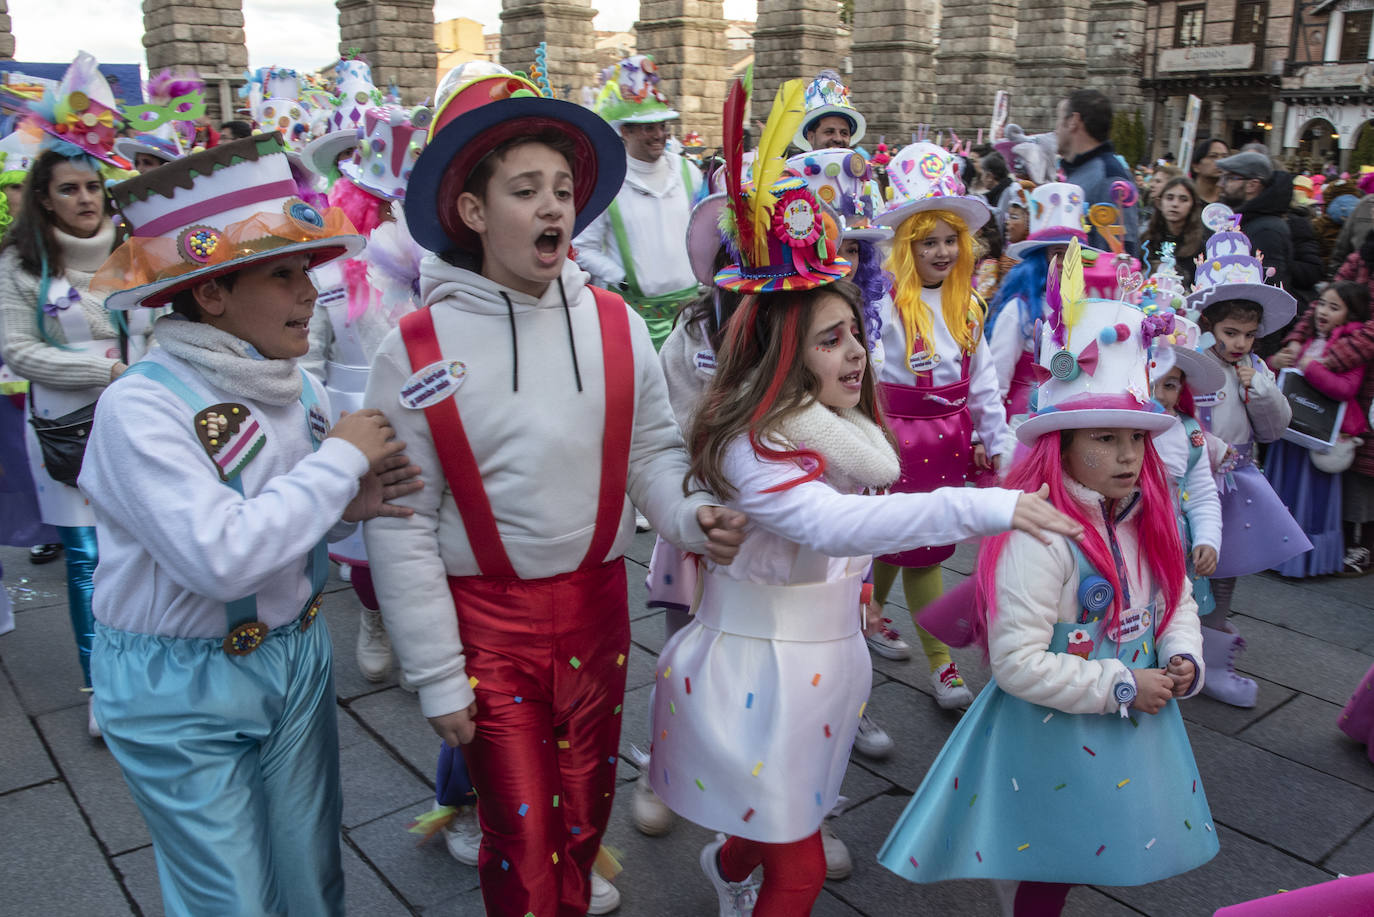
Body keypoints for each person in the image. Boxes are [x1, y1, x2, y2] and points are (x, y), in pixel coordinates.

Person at [650, 80, 1083, 917]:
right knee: (802, 867)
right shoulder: (753, 445)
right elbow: (839, 522)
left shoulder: (836, 430)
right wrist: (984, 505)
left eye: (855, 332)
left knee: (784, 817)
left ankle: (727, 865)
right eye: (831, 339)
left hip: (827, 661)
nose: (857, 354)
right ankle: (747, 870)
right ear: (782, 354)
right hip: (756, 668)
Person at [362, 73, 748, 917]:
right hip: (486, 628)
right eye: (525, 190)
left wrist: (689, 514)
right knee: (523, 837)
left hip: (600, 610)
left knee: (582, 818)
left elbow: (652, 450)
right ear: (471, 211)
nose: (553, 209)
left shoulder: (613, 323)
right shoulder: (416, 349)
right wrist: (434, 672)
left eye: (564, 191)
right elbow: (402, 521)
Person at [82, 132, 420, 916]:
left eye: (307, 267)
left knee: (310, 872)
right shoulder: (142, 406)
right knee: (229, 896)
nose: (311, 290)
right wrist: (337, 465)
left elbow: (284, 519)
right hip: (180, 685)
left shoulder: (293, 383)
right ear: (210, 294)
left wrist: (344, 511)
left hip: (293, 656)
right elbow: (222, 556)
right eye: (283, 272)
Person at [879, 244, 1216, 915]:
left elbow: (1174, 598)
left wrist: (1183, 653)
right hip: (1049, 725)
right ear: (1061, 444)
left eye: (1135, 440)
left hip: (1121, 712)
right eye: (1104, 439)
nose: (1125, 456)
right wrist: (1122, 680)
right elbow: (1015, 662)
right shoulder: (1040, 536)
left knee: (1093, 830)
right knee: (1048, 851)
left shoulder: (1147, 516)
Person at [0, 54, 152, 738]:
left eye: (93, 186)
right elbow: (18, 351)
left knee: (144, 545)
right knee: (88, 557)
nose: (86, 199)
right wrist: (105, 372)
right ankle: (100, 687)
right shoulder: (20, 265)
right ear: (44, 197)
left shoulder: (134, 251)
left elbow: (158, 326)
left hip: (140, 419)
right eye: (69, 189)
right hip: (64, 428)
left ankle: (147, 667)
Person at [869, 140, 1010, 709]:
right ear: (906, 246)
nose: (943, 251)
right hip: (893, 440)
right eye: (929, 241)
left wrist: (999, 442)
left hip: (946, 443)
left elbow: (984, 383)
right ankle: (942, 665)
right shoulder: (882, 304)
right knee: (908, 547)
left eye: (951, 239)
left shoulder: (969, 305)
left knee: (905, 545)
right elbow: (867, 372)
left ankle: (867, 614)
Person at [301, 103, 430, 687]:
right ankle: (375, 617)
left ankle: (419, 634)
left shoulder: (434, 262)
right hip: (352, 410)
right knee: (363, 534)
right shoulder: (328, 272)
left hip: (429, 402)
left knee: (424, 523)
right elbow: (307, 354)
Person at [1185, 226, 1310, 707]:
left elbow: (1276, 428)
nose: (1239, 342)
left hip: (1237, 483)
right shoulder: (1192, 363)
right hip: (1192, 481)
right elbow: (1176, 416)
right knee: (1181, 564)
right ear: (1211, 325)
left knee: (1226, 570)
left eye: (1249, 334)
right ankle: (1174, 648)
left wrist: (1258, 388)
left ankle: (1214, 662)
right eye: (1230, 332)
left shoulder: (1256, 369)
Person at [574, 55, 703, 351]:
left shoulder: (689, 174)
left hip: (691, 317)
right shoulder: (609, 182)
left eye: (661, 125)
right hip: (636, 321)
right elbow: (583, 247)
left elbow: (706, 234)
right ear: (625, 131)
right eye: (647, 127)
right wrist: (620, 279)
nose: (658, 134)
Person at [1266, 282, 1371, 576]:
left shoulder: (1348, 347)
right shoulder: (1307, 339)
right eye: (1322, 303)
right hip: (1290, 433)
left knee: (1307, 500)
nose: (1323, 311)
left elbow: (1346, 389)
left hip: (1317, 437)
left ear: (1352, 314)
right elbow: (1275, 377)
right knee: (1282, 494)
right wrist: (1276, 362)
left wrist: (1311, 368)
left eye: (1334, 307)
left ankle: (1302, 560)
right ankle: (1271, 552)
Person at [986, 181, 1099, 425]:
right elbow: (995, 379)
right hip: (1020, 420)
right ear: (1040, 258)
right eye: (1058, 253)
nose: (1065, 261)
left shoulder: (1080, 307)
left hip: (1066, 418)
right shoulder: (1019, 310)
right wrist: (988, 435)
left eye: (1073, 252)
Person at [1150, 309, 1226, 631]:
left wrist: (1207, 540)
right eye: (1149, 382)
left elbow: (1202, 494)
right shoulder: (1117, 430)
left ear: (1182, 390)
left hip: (1172, 545)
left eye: (1169, 385)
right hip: (1126, 543)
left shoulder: (1189, 434)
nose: (1158, 395)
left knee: (1173, 617)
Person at [1056, 89, 1141, 254]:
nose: (1056, 130)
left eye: (1058, 121)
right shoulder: (1079, 171)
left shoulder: (1110, 178)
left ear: (1074, 121)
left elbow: (1122, 256)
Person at [1215, 151, 1293, 291]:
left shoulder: (1267, 230)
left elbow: (1269, 286)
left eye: (1229, 178)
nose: (1220, 184)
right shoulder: (1243, 219)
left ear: (1252, 185)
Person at [1142, 175, 1210, 285]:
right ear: (1159, 203)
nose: (1175, 204)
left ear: (1193, 206)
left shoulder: (1201, 246)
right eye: (1169, 198)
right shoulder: (1146, 239)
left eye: (1183, 199)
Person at [793, 69, 865, 152]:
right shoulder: (794, 165)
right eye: (829, 132)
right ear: (811, 137)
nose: (838, 139)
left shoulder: (860, 164)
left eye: (844, 133)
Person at [1191, 137, 1229, 204]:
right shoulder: (1186, 198)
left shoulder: (1230, 199)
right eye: (1213, 156)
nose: (1220, 161)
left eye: (1225, 157)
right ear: (1196, 166)